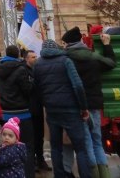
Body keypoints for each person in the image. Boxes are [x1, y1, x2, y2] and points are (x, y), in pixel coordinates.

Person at [62, 27, 116, 178]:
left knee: (86, 143)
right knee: (97, 141)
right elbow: (111, 63)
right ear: (80, 40)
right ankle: (104, 175)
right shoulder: (93, 57)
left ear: (67, 43)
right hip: (95, 104)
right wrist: (106, 45)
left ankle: (92, 174)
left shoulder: (66, 59)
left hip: (78, 106)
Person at [33, 39, 91, 178]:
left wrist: (46, 102)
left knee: (56, 147)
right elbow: (77, 85)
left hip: (52, 110)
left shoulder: (38, 64)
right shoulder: (65, 61)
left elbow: (36, 88)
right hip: (70, 109)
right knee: (80, 149)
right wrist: (83, 107)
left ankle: (59, 175)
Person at [0, 45, 35, 178]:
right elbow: (27, 90)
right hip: (23, 113)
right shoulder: (21, 69)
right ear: (18, 54)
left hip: (7, 114)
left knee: (8, 147)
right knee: (27, 147)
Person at [25, 50, 51, 172]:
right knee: (32, 137)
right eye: (32, 57)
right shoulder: (24, 72)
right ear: (26, 59)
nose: (35, 58)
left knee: (39, 136)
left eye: (36, 56)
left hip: (39, 107)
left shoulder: (37, 70)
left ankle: (40, 160)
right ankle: (34, 161)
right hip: (30, 108)